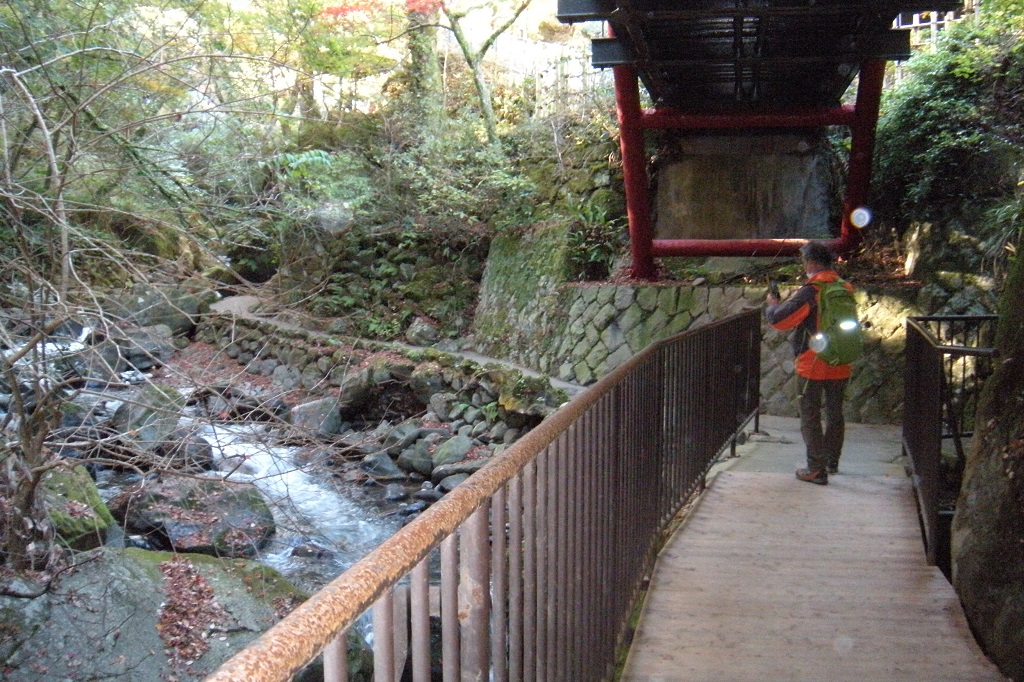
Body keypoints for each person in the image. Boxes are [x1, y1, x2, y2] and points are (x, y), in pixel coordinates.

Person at [764, 241, 855, 486]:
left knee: (810, 415)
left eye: (804, 261)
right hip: (841, 360)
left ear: (812, 262)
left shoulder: (812, 290)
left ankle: (816, 468)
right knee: (835, 413)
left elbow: (780, 321)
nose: (804, 265)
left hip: (813, 362)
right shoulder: (844, 287)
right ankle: (832, 461)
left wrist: (772, 306)